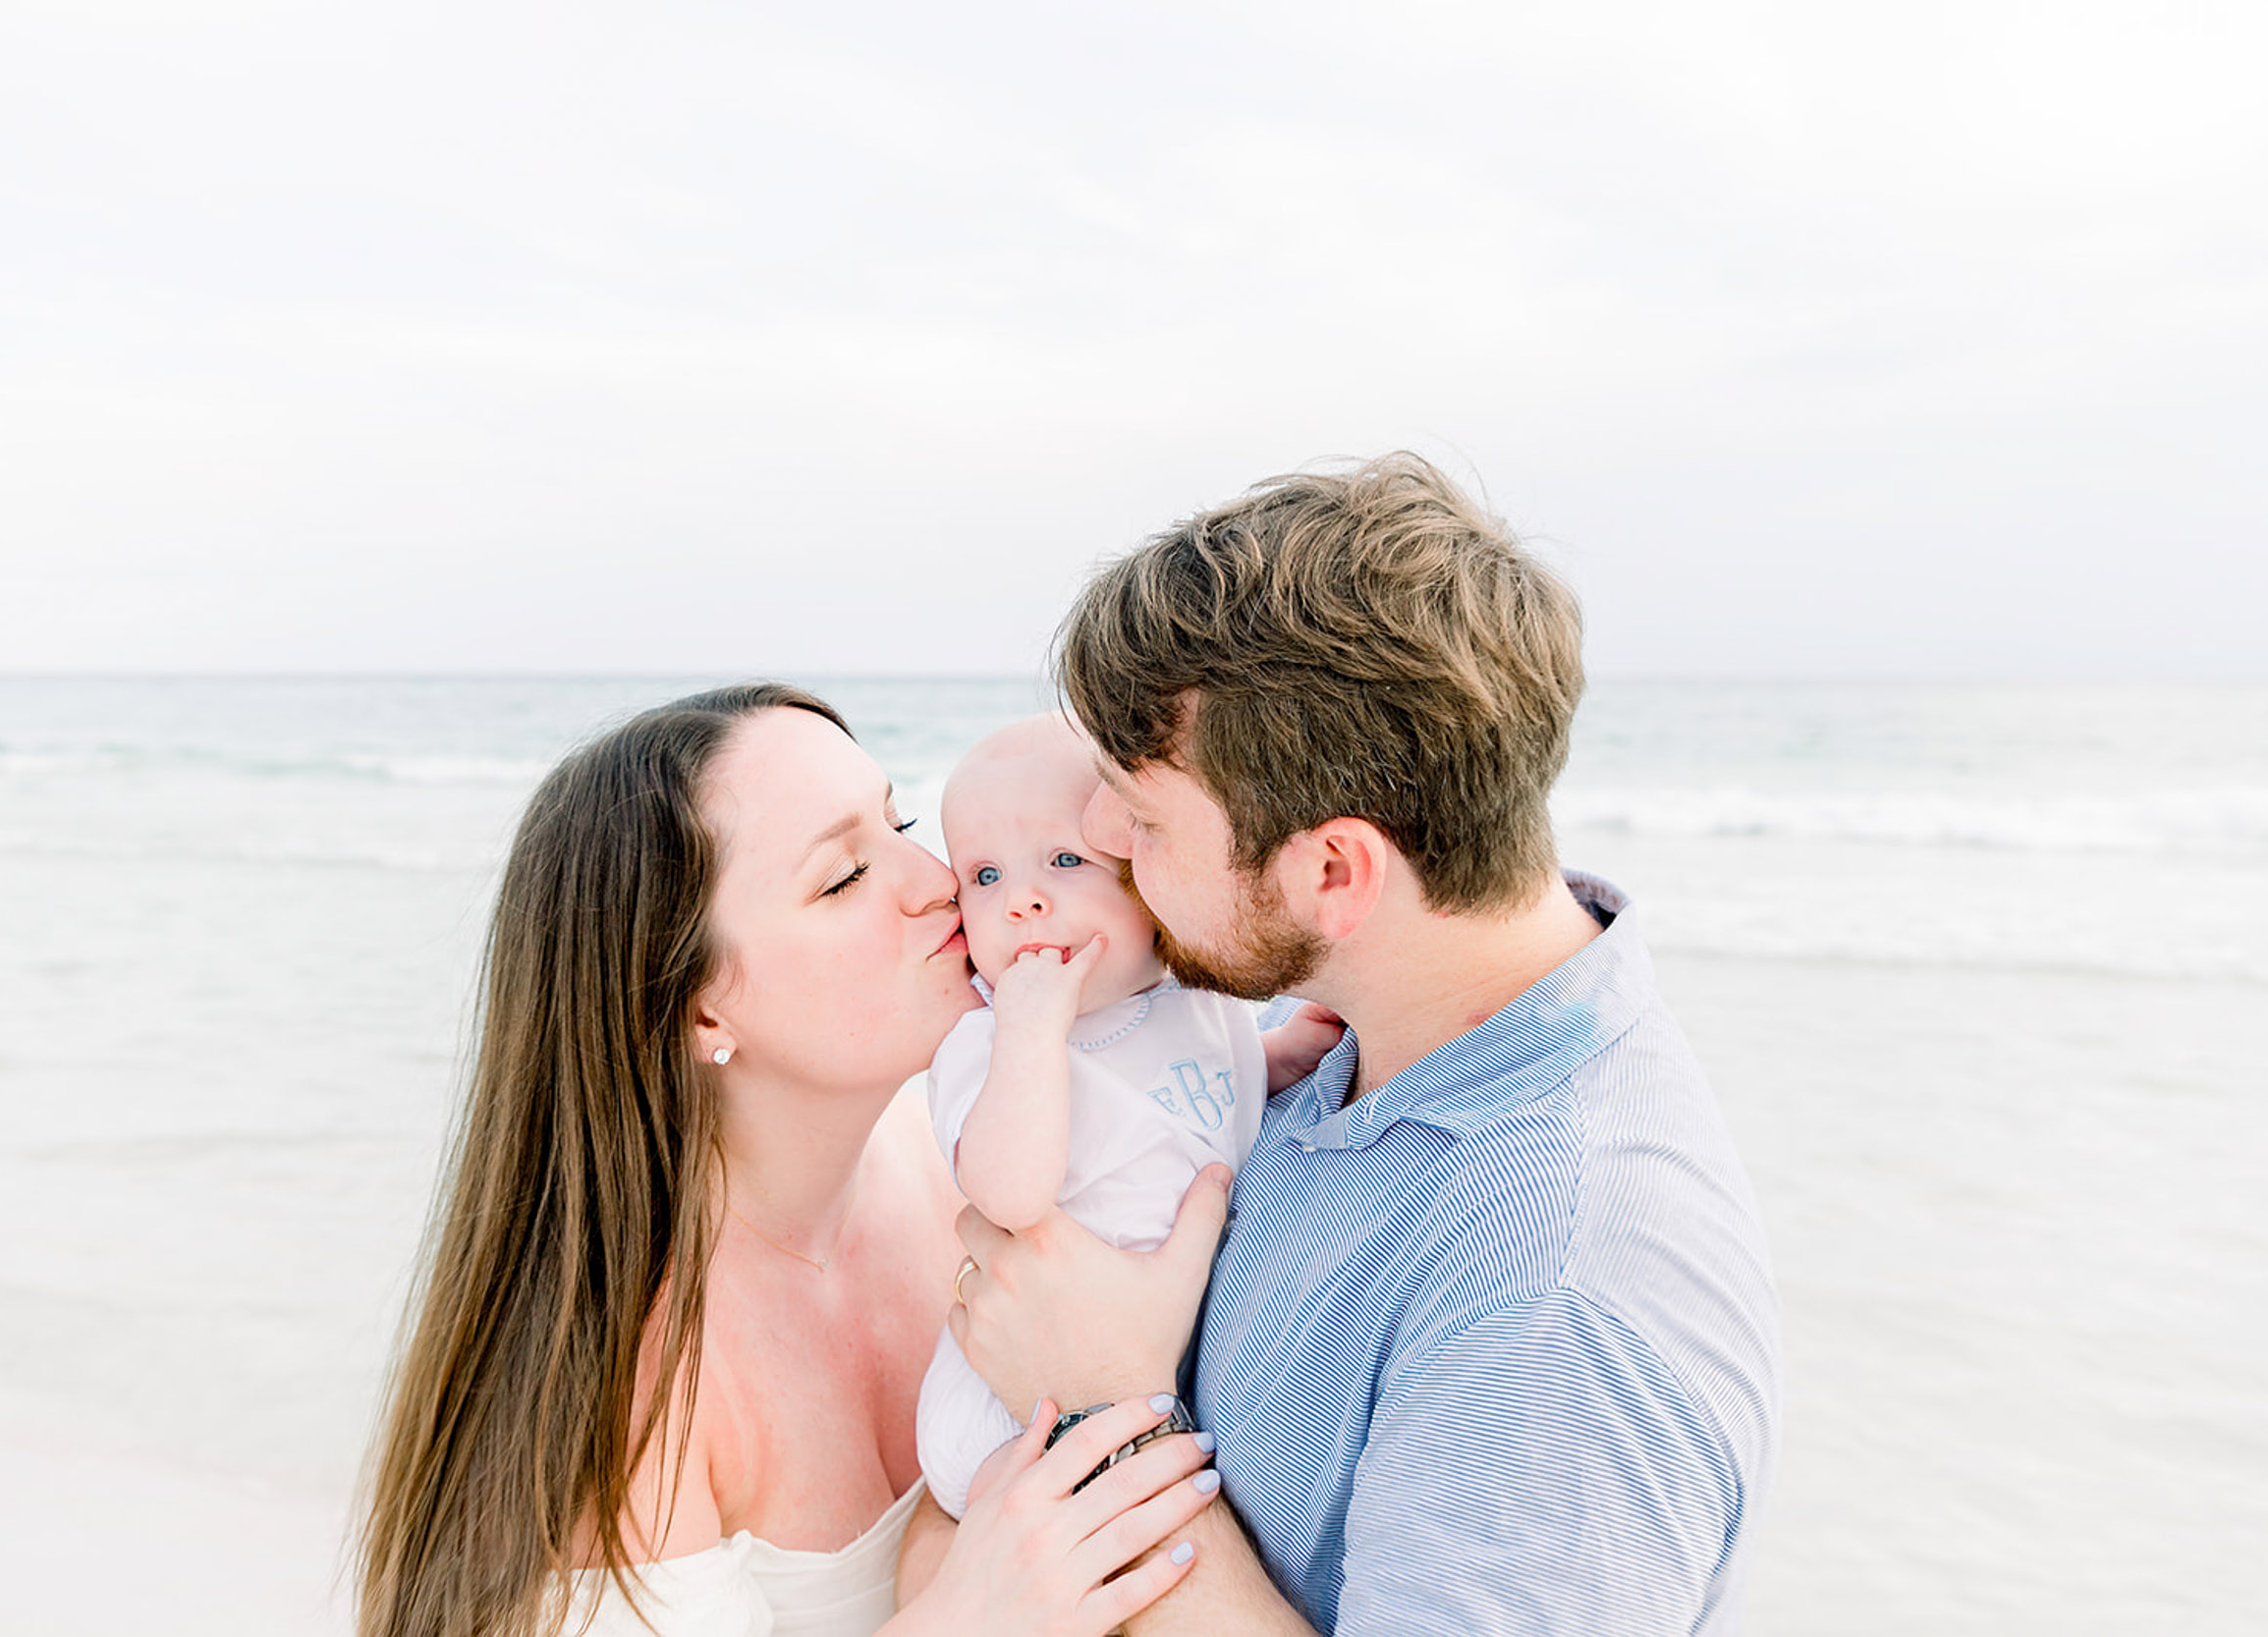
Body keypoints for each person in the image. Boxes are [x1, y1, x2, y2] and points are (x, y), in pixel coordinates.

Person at [923, 457, 1784, 1633]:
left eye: (1146, 811)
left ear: (1331, 871)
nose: (1098, 828)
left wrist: (1109, 1406)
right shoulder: (1343, 1035)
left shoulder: (1551, 1313)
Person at [353, 683, 1224, 1637]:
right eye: (845, 875)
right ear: (700, 1009)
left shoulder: (977, 1155)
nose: (938, 878)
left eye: (900, 820)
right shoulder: (635, 1390)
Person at [912, 715, 1342, 1519]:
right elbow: (1009, 1194)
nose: (1023, 900)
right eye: (985, 875)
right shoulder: (988, 1042)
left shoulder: (1201, 1001)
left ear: (1151, 875)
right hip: (1014, 1398)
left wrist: (1285, 1053)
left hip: (1157, 1364)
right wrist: (1032, 1028)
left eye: (1066, 860)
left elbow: (1218, 1094)